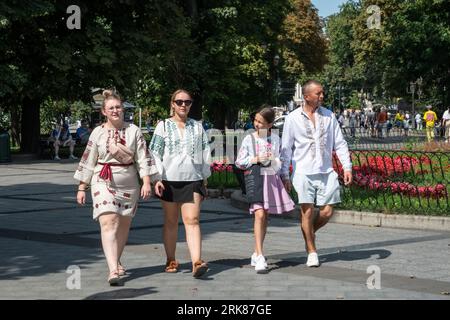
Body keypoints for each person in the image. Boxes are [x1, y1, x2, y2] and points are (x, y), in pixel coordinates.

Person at [74, 89, 158, 285]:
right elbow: (88, 159)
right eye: (111, 108)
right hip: (103, 179)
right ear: (103, 111)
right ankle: (113, 270)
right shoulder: (98, 132)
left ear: (123, 108)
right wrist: (81, 186)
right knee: (109, 222)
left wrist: (146, 181)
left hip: (129, 182)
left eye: (118, 107)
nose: (115, 110)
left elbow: (143, 158)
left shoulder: (133, 131)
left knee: (123, 225)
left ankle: (117, 259)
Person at [280, 80, 352, 268]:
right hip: (303, 171)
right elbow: (286, 148)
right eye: (318, 93)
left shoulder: (329, 116)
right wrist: (284, 174)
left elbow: (340, 143)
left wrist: (347, 167)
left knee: (327, 212)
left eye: (322, 93)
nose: (322, 96)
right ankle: (312, 251)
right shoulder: (292, 118)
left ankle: (308, 231)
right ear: (306, 96)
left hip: (326, 171)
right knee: (308, 211)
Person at [149, 89, 211, 278]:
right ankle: (171, 259)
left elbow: (205, 152)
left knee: (192, 221)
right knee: (170, 222)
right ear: (172, 104)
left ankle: (196, 262)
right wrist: (156, 178)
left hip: (192, 180)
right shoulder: (164, 126)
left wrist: (204, 178)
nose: (183, 105)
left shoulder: (197, 127)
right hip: (168, 180)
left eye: (188, 102)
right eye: (179, 102)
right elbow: (154, 153)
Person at [235, 106, 295, 273]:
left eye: (261, 122)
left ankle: (256, 252)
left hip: (271, 179)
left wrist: (285, 177)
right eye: (255, 120)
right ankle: (260, 255)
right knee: (259, 214)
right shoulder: (249, 139)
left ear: (269, 125)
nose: (257, 124)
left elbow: (281, 160)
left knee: (265, 216)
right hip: (256, 178)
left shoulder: (275, 139)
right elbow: (239, 162)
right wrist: (255, 159)